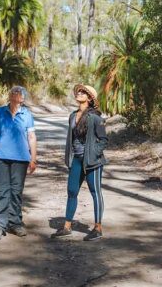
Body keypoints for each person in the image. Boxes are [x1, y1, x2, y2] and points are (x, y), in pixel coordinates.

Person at [52, 83, 108, 241]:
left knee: (95, 192)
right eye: (79, 91)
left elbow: (104, 140)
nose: (80, 93)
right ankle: (67, 227)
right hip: (76, 160)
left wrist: (93, 154)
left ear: (90, 98)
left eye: (84, 92)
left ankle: (98, 228)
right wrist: (69, 157)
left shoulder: (96, 118)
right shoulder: (72, 115)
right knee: (72, 191)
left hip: (92, 162)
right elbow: (71, 139)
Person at [0, 85, 37, 240]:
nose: (21, 95)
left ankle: (15, 223)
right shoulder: (0, 112)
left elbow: (31, 137)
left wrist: (33, 158)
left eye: (22, 93)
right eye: (17, 92)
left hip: (21, 159)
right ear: (10, 96)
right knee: (1, 192)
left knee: (16, 192)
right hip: (1, 157)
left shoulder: (27, 114)